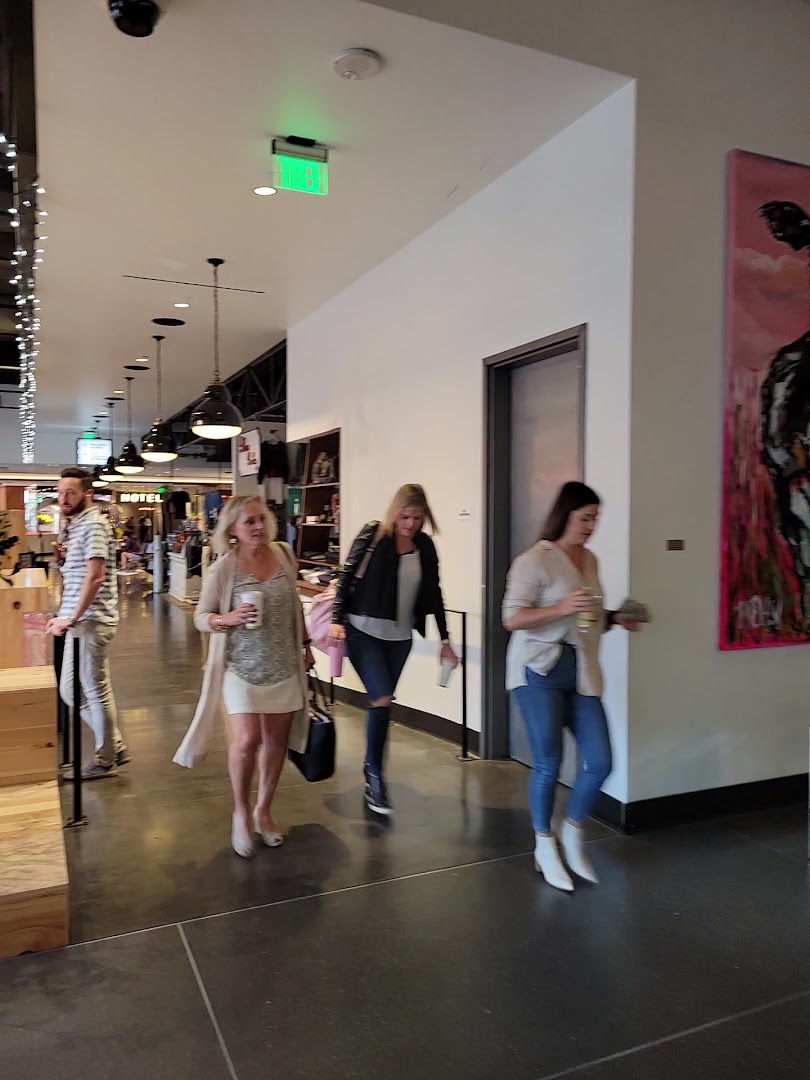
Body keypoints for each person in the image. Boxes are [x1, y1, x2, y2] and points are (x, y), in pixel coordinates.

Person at [501, 481, 640, 892]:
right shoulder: (535, 560)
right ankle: (543, 843)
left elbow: (587, 616)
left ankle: (572, 832)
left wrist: (613, 619)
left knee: (600, 761)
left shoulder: (590, 560)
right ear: (565, 515)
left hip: (581, 670)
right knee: (549, 760)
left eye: (596, 519)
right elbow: (512, 618)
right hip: (538, 669)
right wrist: (561, 607)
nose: (591, 526)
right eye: (585, 518)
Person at [174, 496, 313, 858]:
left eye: (261, 519)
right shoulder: (223, 568)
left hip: (283, 665)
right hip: (239, 667)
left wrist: (306, 643)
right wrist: (227, 618)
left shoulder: (283, 554)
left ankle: (263, 811)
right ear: (232, 529)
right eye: (249, 521)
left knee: (276, 741)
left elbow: (295, 603)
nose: (258, 526)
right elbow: (200, 617)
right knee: (247, 740)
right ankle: (240, 810)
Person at [328, 484, 458, 816]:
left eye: (418, 518)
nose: (410, 524)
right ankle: (375, 775)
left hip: (400, 638)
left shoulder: (424, 546)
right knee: (383, 696)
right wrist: (337, 620)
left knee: (381, 703)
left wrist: (445, 640)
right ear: (395, 513)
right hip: (363, 631)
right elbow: (345, 576)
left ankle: (371, 768)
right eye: (405, 517)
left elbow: (434, 592)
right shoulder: (374, 535)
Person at [46, 467, 128, 780]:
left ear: (87, 494)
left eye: (71, 492)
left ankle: (105, 758)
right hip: (78, 622)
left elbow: (95, 577)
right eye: (60, 492)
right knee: (70, 691)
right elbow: (79, 572)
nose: (64, 498)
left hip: (91, 620)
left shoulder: (94, 524)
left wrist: (71, 617)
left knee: (95, 689)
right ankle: (114, 745)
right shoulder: (77, 525)